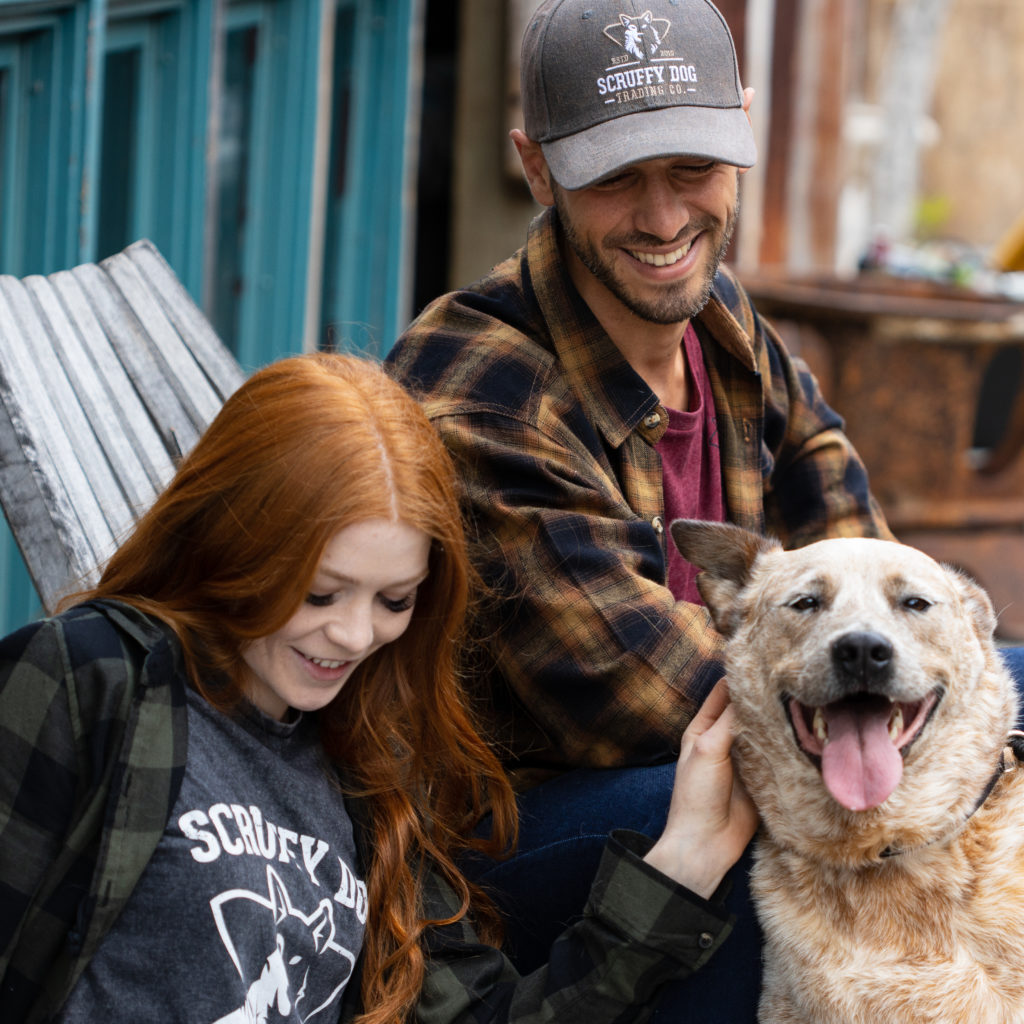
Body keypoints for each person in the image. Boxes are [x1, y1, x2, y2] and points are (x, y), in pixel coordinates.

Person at [384, 0, 902, 1018]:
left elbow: (858, 548)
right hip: (514, 834)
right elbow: (650, 692)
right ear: (536, 169)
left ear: (743, 132)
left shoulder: (718, 318)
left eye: (692, 170)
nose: (664, 219)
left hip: (711, 763)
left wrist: (896, 662)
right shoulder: (482, 388)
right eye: (615, 178)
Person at [0, 352, 757, 1024]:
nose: (356, 636)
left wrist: (679, 870)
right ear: (236, 545)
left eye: (394, 601)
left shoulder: (370, 767)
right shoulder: (93, 680)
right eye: (320, 594)